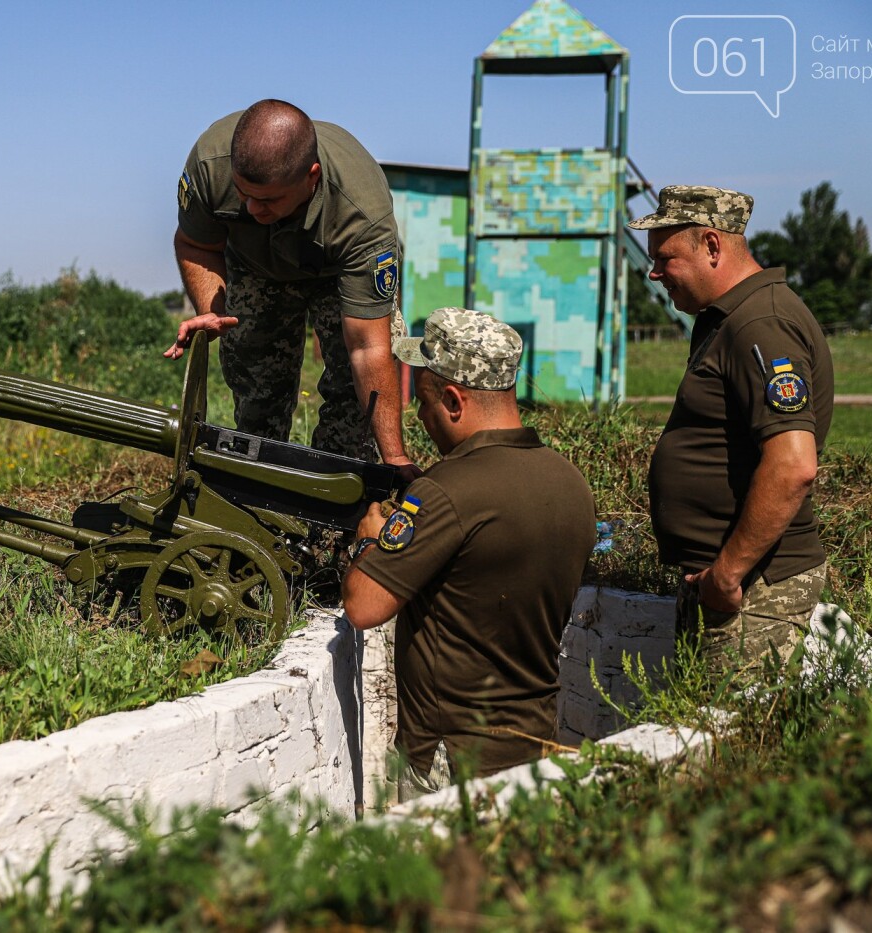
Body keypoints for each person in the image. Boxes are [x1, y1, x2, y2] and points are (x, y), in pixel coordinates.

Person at [341, 308, 596, 796]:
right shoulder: (571, 485)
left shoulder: (443, 492)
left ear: (454, 401)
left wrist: (371, 539)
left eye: (424, 402)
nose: (419, 416)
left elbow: (363, 606)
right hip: (535, 746)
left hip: (450, 758)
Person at [629, 185, 834, 679]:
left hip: (753, 589)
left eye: (665, 258)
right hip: (730, 585)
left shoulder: (760, 323)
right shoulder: (729, 319)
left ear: (713, 246)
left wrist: (727, 575)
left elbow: (793, 465)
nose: (654, 273)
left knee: (725, 742)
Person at [163, 99, 417, 478]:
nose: (250, 208)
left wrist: (395, 458)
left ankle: (336, 492)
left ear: (311, 177)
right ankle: (260, 490)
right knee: (258, 394)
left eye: (267, 200)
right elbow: (196, 244)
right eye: (242, 193)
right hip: (255, 266)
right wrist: (210, 310)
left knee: (352, 394)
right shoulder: (209, 165)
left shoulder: (362, 214)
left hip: (337, 270)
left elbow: (370, 348)